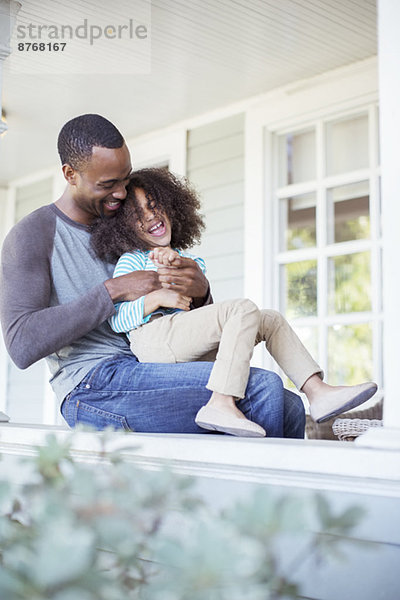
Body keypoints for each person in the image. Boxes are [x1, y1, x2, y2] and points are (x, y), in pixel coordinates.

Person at [0, 113, 307, 439]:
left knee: (291, 405)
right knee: (262, 388)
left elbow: (176, 324)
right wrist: (113, 290)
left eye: (125, 179)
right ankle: (256, 491)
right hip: (91, 386)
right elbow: (21, 344)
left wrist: (200, 292)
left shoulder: (122, 223)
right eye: (107, 184)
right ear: (70, 174)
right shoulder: (35, 234)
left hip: (150, 361)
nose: (121, 193)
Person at [90, 168, 377, 438]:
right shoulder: (132, 261)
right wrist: (154, 298)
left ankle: (317, 391)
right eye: (137, 215)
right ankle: (221, 402)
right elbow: (118, 321)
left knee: (269, 319)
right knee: (241, 308)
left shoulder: (190, 262)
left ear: (170, 206)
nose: (150, 217)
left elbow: (198, 309)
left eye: (154, 205)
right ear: (126, 230)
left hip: (184, 342)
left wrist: (175, 265)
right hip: (154, 340)